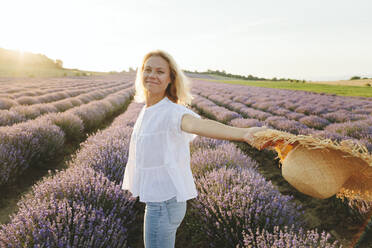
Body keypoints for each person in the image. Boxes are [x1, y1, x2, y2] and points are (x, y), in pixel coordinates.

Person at [121, 49, 269, 248]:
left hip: (164, 203)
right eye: (147, 70)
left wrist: (242, 133)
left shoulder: (172, 112)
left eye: (159, 71)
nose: (152, 75)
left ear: (170, 79)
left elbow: (198, 125)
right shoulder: (148, 110)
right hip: (158, 200)